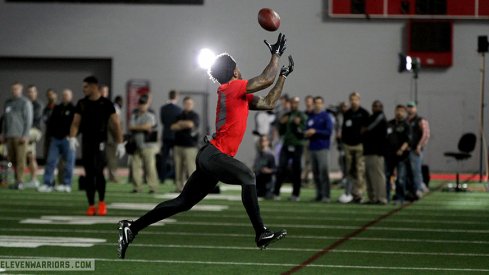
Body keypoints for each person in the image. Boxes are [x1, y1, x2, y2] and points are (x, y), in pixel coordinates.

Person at [118, 33, 292, 259]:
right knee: (248, 176)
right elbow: (265, 79)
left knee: (183, 202)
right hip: (214, 155)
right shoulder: (233, 88)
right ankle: (261, 232)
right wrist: (275, 55)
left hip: (211, 157)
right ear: (234, 72)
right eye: (238, 68)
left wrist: (283, 76)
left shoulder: (237, 94)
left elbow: (269, 102)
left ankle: (131, 228)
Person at [69, 76, 125, 216]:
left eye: (85, 87)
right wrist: (72, 137)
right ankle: (90, 204)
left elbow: (116, 124)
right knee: (89, 174)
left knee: (99, 173)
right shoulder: (82, 103)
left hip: (100, 143)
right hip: (86, 142)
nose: (83, 89)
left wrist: (120, 143)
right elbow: (76, 123)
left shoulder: (106, 103)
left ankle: (101, 202)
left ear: (94, 86)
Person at [38, 89, 76, 193]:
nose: (65, 97)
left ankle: (66, 184)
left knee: (68, 163)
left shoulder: (74, 109)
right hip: (55, 139)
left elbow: (77, 125)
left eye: (67, 95)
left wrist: (73, 136)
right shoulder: (57, 108)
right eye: (64, 95)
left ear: (71, 96)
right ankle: (47, 183)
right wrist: (51, 135)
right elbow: (51, 123)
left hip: (68, 139)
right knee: (50, 162)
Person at [273, 96, 307, 201]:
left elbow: (303, 133)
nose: (294, 105)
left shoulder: (302, 116)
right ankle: (276, 192)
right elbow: (281, 131)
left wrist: (297, 125)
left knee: (296, 170)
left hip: (297, 145)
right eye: (292, 103)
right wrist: (282, 124)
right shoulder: (286, 115)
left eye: (296, 103)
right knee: (281, 168)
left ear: (298, 104)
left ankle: (296, 194)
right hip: (286, 144)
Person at [1, 82, 33, 189]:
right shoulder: (8, 103)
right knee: (12, 159)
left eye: (17, 89)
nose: (15, 91)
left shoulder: (25, 102)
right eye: (13, 89)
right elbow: (5, 120)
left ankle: (20, 181)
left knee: (21, 159)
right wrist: (3, 134)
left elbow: (28, 120)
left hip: (20, 136)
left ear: (21, 89)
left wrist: (25, 135)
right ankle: (16, 180)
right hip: (9, 135)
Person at [338, 92, 369, 203]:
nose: (353, 101)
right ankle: (350, 193)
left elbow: (367, 130)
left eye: (356, 99)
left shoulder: (364, 113)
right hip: (348, 145)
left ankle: (359, 194)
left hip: (359, 145)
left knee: (360, 170)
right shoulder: (347, 113)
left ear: (359, 100)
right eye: (352, 99)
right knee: (349, 171)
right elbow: (344, 129)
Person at [304, 96, 333, 202]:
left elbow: (329, 132)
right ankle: (319, 194)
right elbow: (306, 129)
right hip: (312, 147)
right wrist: (306, 133)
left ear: (323, 104)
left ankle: (326, 195)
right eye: (316, 102)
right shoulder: (310, 116)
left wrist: (315, 131)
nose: (317, 104)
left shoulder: (326, 116)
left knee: (323, 172)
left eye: (319, 103)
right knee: (315, 173)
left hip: (322, 147)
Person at [129, 94, 158, 194]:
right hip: (136, 144)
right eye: (140, 104)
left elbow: (148, 126)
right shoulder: (134, 115)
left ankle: (152, 187)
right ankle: (137, 187)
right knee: (135, 167)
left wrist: (137, 127)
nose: (142, 106)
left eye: (144, 104)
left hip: (148, 145)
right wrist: (143, 127)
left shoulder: (150, 115)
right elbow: (130, 127)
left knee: (150, 167)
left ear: (147, 105)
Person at [171, 96, 200, 192]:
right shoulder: (179, 115)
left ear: (193, 105)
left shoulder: (195, 115)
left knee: (191, 168)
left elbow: (191, 124)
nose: (188, 105)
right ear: (183, 104)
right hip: (178, 145)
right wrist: (184, 124)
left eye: (190, 104)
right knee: (178, 169)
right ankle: (179, 188)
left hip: (190, 146)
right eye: (186, 103)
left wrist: (180, 124)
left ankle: (193, 188)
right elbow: (173, 127)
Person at [362, 100, 388, 205]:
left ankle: (381, 198)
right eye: (374, 106)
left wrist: (365, 130)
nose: (375, 108)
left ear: (381, 107)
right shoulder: (371, 117)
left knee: (378, 175)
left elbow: (367, 130)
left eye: (378, 106)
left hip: (377, 151)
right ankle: (372, 197)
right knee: (369, 175)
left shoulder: (380, 117)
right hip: (368, 150)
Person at [385, 105, 410, 204]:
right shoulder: (389, 124)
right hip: (390, 155)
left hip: (401, 156)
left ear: (404, 112)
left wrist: (401, 149)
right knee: (387, 176)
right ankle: (386, 197)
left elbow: (408, 140)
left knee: (400, 178)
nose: (399, 112)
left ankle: (400, 198)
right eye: (397, 110)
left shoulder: (406, 125)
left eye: (401, 111)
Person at [406, 101, 430, 199]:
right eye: (408, 107)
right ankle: (409, 190)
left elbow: (426, 134)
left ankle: (419, 189)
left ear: (415, 108)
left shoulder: (421, 120)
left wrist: (419, 146)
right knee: (407, 172)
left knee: (416, 171)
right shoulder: (405, 121)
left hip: (415, 150)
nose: (410, 109)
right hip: (406, 150)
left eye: (412, 107)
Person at [158, 90, 182, 183]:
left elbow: (162, 121)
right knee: (176, 158)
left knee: (164, 158)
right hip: (175, 136)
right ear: (176, 97)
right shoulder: (179, 109)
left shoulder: (163, 108)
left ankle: (162, 178)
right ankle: (175, 178)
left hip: (166, 135)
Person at [25, 85, 43, 188]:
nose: (31, 93)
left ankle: (20, 179)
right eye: (29, 92)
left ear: (36, 93)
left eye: (33, 91)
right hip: (25, 132)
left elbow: (32, 119)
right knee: (31, 156)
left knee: (20, 149)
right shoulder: (25, 103)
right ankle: (33, 180)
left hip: (34, 131)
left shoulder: (38, 105)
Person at [253, 135, 276, 199]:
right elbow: (255, 167)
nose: (262, 142)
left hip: (267, 182)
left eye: (264, 141)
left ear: (268, 142)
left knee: (268, 196)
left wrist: (268, 170)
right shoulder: (258, 154)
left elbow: (276, 170)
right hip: (259, 181)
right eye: (261, 141)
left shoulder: (271, 155)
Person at [302, 95, 314, 186]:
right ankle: (305, 179)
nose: (308, 103)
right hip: (306, 140)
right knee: (307, 161)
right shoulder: (303, 114)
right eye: (307, 101)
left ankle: (313, 180)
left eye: (310, 101)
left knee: (314, 161)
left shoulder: (315, 114)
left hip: (315, 141)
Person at [42, 89, 58, 160]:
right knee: (47, 154)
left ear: (55, 95)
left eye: (51, 94)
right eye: (48, 95)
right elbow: (45, 120)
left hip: (58, 135)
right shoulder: (46, 108)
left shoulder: (60, 107)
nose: (50, 96)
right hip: (49, 134)